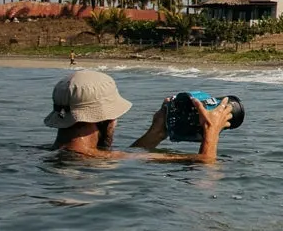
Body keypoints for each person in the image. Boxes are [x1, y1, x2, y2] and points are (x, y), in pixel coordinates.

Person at [45, 68, 230, 164]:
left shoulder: (46, 153)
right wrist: (211, 131)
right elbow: (206, 169)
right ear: (104, 119)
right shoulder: (92, 159)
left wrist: (156, 133)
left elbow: (126, 157)